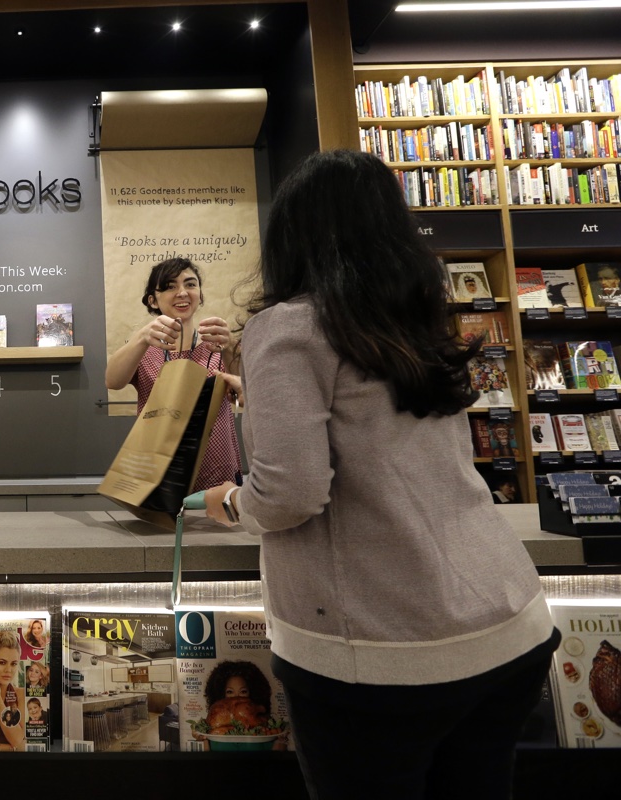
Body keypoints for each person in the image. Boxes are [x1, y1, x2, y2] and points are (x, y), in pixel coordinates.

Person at [203, 150, 558, 800]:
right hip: (512, 624)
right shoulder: (419, 317)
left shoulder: (287, 329)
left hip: (378, 653)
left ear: (289, 236)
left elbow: (289, 492)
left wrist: (229, 504)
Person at [105, 258, 241, 492]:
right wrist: (142, 337)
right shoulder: (145, 349)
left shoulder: (218, 345)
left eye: (190, 284)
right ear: (152, 300)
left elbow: (247, 388)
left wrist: (229, 347)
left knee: (216, 526)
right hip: (159, 470)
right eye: (169, 286)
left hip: (217, 466)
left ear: (199, 293)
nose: (182, 293)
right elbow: (113, 381)